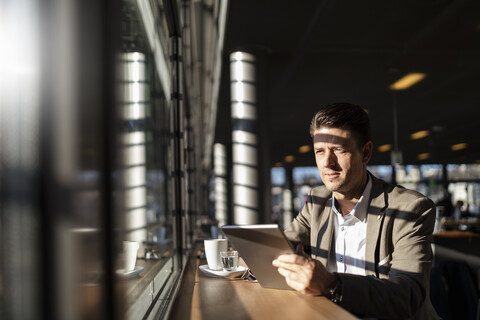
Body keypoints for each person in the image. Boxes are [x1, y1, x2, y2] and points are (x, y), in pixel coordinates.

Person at [272, 103, 439, 319]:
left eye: (338, 150)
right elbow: (279, 249)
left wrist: (333, 285)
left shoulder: (411, 209)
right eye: (320, 151)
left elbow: (406, 296)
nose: (327, 163)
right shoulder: (317, 201)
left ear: (365, 152)